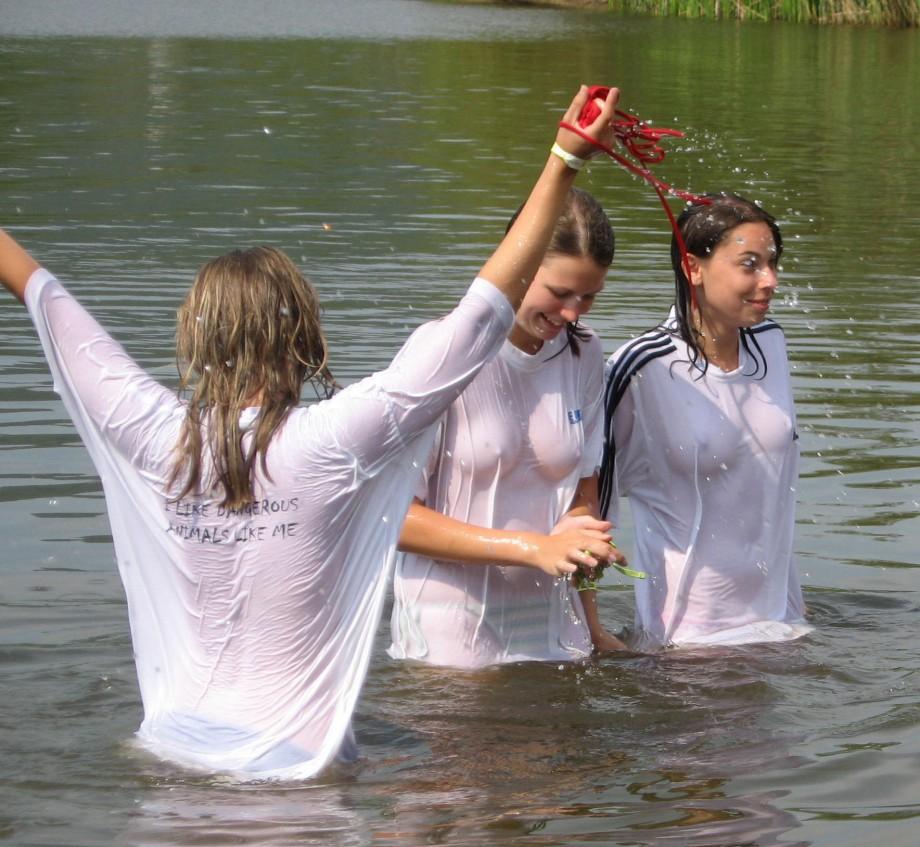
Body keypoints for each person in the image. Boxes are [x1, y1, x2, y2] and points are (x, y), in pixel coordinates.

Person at [0, 85, 622, 780]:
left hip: (173, 758)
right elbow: (478, 321)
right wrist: (563, 158)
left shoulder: (152, 434)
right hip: (295, 775)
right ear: (308, 339)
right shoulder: (332, 440)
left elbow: (43, 297)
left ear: (193, 337)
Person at [388, 185, 629, 669]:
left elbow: (582, 493)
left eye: (588, 296)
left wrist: (595, 622)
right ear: (518, 260)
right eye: (559, 293)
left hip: (552, 623)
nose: (572, 314)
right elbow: (392, 517)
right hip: (451, 625)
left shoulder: (584, 352)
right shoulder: (442, 351)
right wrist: (532, 548)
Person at [598, 193, 812, 651]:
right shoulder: (641, 366)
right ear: (693, 268)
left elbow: (769, 484)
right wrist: (591, 630)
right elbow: (588, 500)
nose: (770, 280)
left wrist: (793, 601)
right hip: (687, 639)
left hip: (782, 624)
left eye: (772, 263)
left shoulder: (771, 344)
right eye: (750, 264)